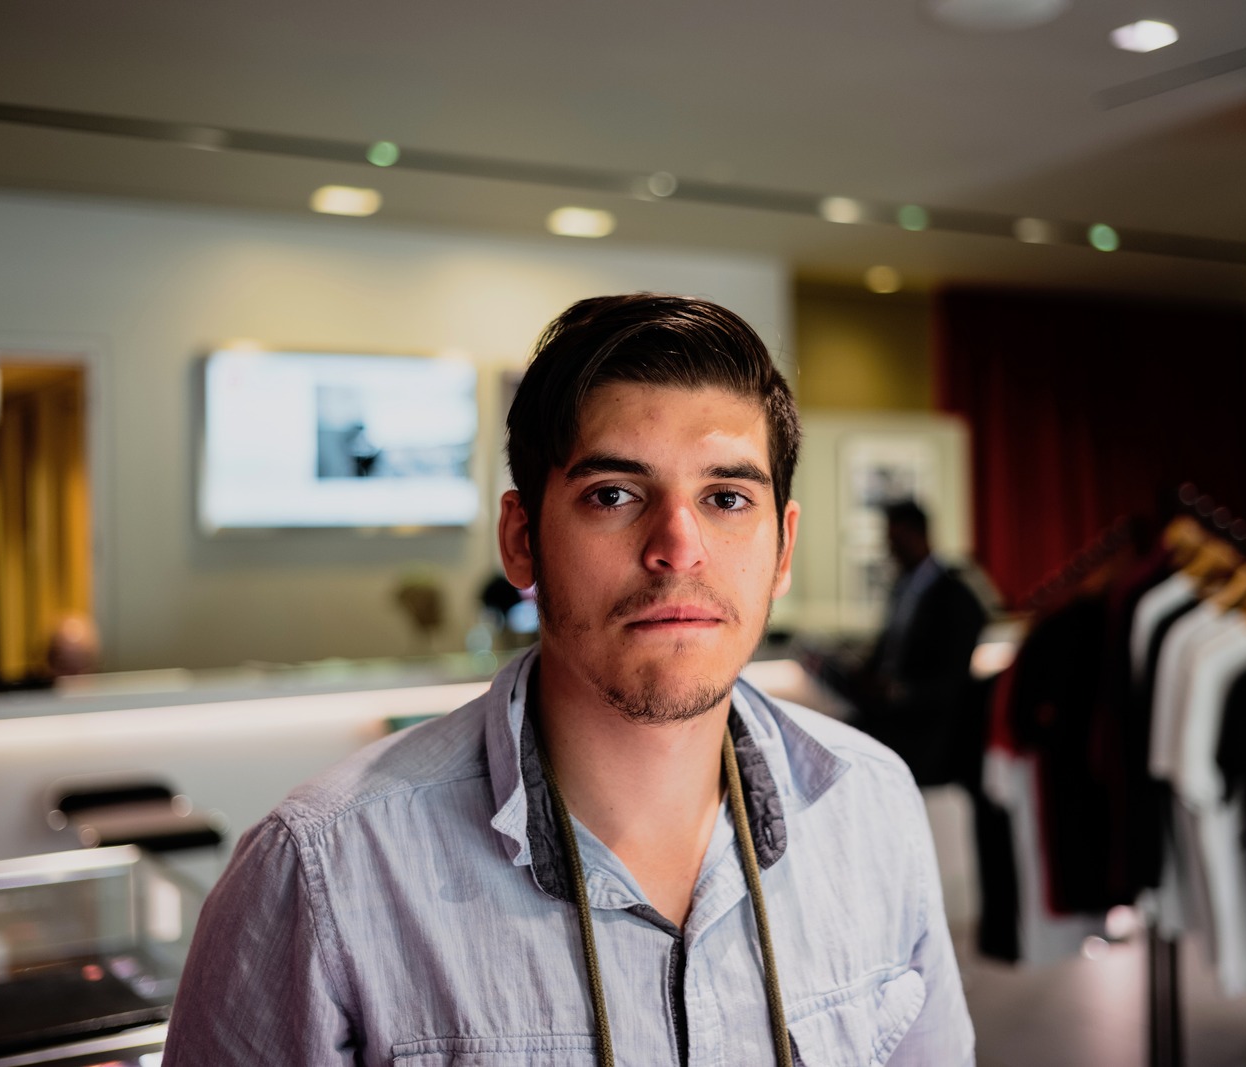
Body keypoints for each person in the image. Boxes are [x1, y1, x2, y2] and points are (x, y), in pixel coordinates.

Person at [163, 294, 975, 1066]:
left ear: (784, 548)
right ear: (521, 539)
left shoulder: (870, 806)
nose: (678, 546)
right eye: (614, 494)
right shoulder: (323, 874)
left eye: (727, 497)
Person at [825, 500, 988, 786]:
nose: (891, 550)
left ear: (918, 535)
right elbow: (891, 648)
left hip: (927, 728)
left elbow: (953, 679)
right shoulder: (903, 587)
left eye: (897, 541)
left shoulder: (955, 594)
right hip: (887, 714)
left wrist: (900, 692)